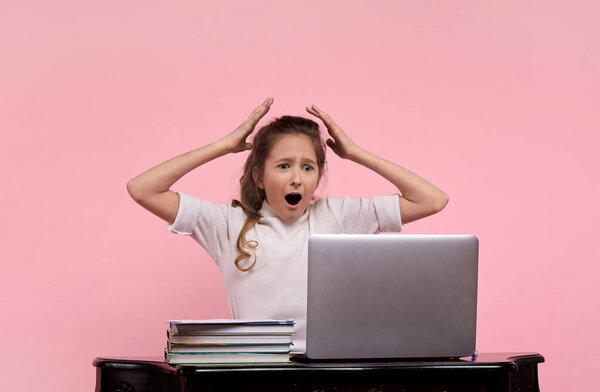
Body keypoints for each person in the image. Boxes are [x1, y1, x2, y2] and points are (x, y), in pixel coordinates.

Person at [126, 97, 449, 353]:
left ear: (318, 176)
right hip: (258, 369)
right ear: (259, 176)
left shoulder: (340, 217)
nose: (296, 178)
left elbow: (431, 200)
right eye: (283, 166)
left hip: (331, 367)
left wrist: (356, 153)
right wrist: (223, 146)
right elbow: (143, 188)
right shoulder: (227, 225)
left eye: (308, 168)